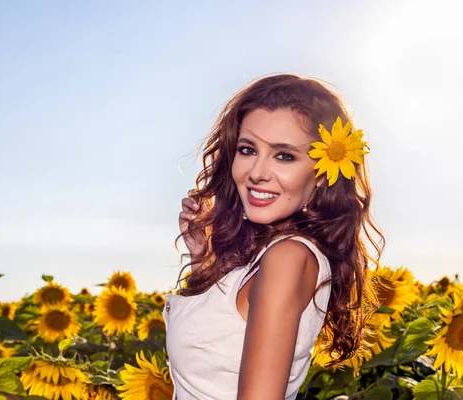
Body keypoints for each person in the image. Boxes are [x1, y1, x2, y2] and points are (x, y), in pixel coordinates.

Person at [163, 73, 384, 400]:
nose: (257, 173)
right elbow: (220, 352)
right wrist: (204, 259)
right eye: (248, 149)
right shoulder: (270, 257)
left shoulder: (288, 257)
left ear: (323, 174)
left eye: (284, 155)